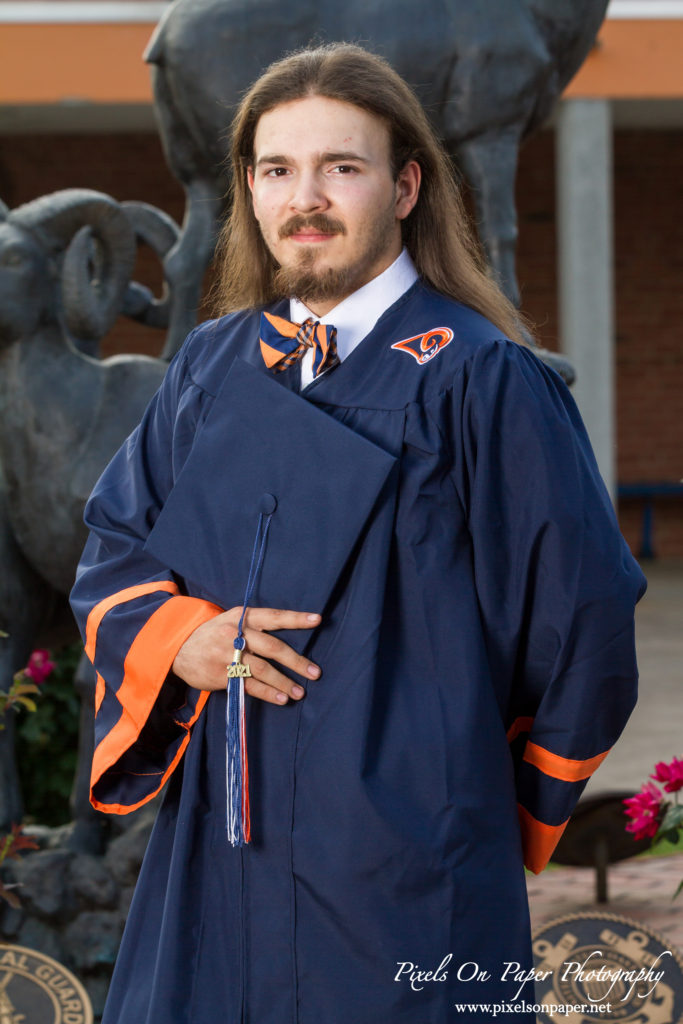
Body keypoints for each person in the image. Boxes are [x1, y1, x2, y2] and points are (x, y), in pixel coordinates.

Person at [70, 43, 645, 1024]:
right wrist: (183, 639)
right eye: (276, 170)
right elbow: (115, 549)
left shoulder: (478, 376)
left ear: (405, 184)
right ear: (249, 192)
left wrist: (455, 791)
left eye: (341, 167)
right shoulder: (216, 368)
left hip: (412, 858)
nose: (306, 198)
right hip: (222, 842)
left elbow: (580, 617)